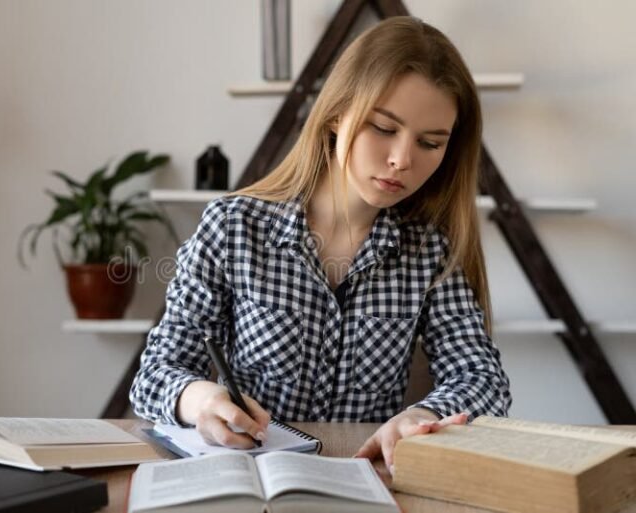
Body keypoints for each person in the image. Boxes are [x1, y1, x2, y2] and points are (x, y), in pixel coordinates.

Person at [130, 16, 511, 473]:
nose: (402, 160)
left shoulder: (429, 250)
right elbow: (156, 373)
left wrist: (422, 416)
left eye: (430, 143)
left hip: (367, 485)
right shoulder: (233, 227)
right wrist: (202, 400)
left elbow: (483, 380)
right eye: (384, 128)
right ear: (336, 115)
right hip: (250, 483)